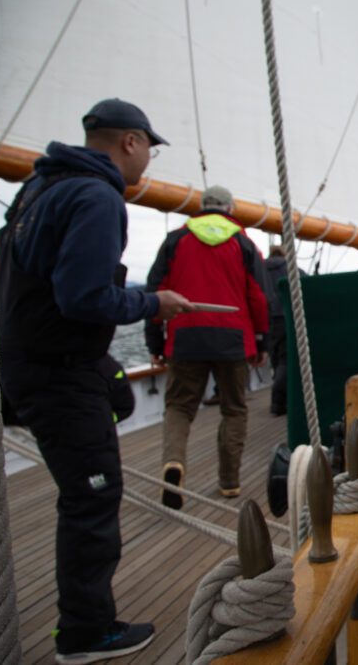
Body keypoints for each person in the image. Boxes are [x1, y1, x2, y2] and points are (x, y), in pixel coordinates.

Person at [0, 98, 192, 663]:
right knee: (91, 498)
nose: (148, 162)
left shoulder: (40, 190)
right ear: (129, 142)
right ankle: (85, 632)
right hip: (59, 375)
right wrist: (155, 302)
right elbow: (83, 297)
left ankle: (85, 623)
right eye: (149, 149)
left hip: (31, 366)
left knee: (117, 400)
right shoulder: (96, 196)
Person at [145, 185, 271, 508]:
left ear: (200, 207)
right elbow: (258, 296)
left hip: (186, 336)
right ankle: (229, 482)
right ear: (229, 208)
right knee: (234, 408)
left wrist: (155, 340)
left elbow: (155, 291)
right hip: (233, 339)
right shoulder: (243, 242)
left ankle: (174, 462)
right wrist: (261, 340)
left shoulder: (176, 239)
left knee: (179, 406)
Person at [264, 244, 306, 415]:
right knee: (287, 361)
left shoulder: (262, 267)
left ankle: (277, 403)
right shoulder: (295, 270)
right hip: (291, 317)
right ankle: (280, 402)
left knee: (277, 360)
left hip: (270, 319)